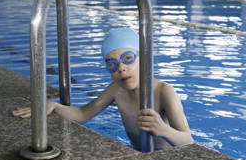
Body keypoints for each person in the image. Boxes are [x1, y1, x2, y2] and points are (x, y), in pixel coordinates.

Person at [13, 27, 193, 151]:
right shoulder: (116, 89)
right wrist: (53, 106)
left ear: (144, 58)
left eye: (128, 58)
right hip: (136, 152)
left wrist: (164, 130)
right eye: (112, 64)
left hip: (166, 158)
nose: (121, 68)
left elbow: (188, 142)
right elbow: (83, 115)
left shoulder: (164, 91)